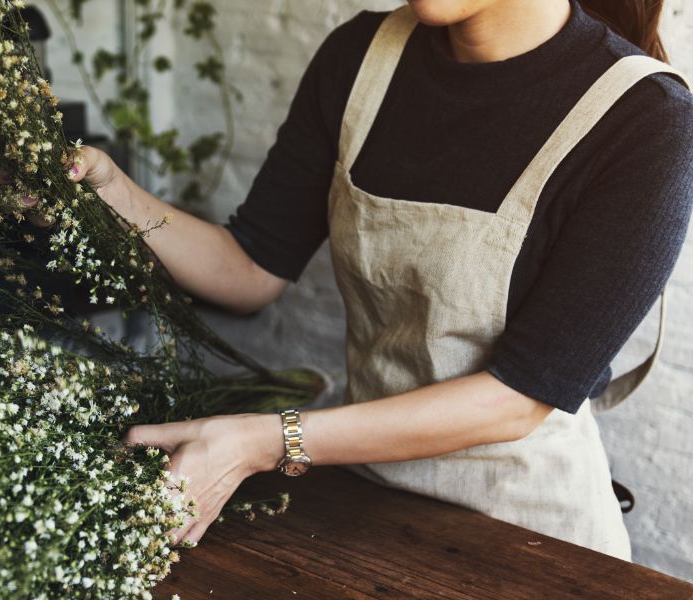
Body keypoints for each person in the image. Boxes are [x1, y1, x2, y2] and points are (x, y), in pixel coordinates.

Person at [58, 0, 693, 558]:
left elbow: (520, 395)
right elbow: (251, 266)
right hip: (362, 507)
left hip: (527, 535)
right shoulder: (359, 58)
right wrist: (113, 194)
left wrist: (267, 440)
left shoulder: (646, 120)